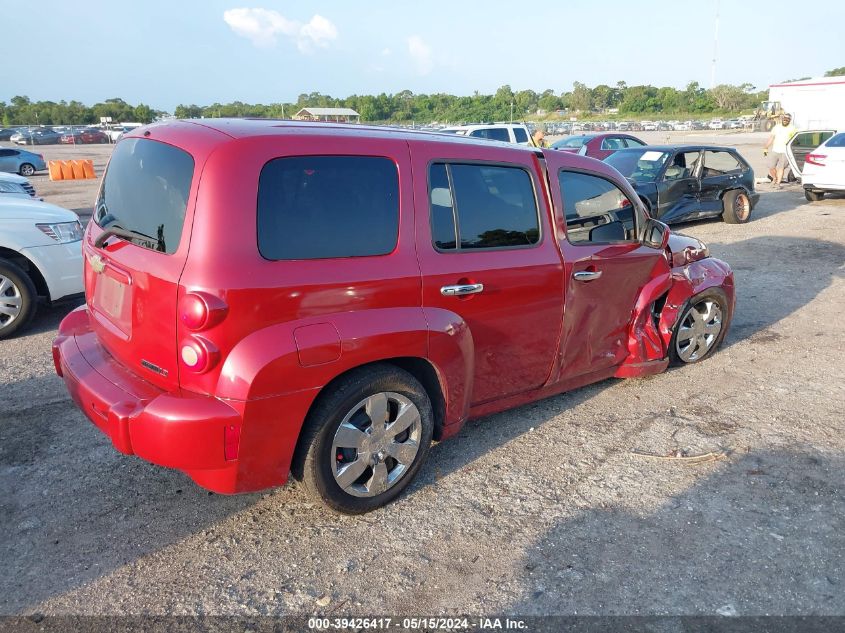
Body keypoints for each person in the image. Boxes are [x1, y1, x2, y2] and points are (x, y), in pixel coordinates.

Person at [763, 113, 797, 188]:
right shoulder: (776, 127)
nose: (785, 120)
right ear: (782, 119)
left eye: (787, 119)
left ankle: (778, 183)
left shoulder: (793, 128)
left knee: (781, 168)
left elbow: (795, 140)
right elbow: (771, 138)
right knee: (771, 167)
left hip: (785, 152)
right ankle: (774, 179)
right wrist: (766, 147)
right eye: (784, 118)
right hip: (775, 150)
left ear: (789, 120)